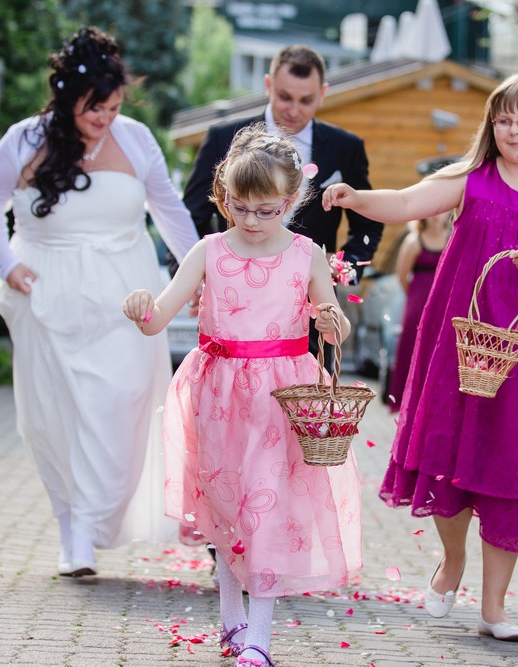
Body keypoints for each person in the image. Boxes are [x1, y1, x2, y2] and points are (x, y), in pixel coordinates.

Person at [322, 71, 518, 641]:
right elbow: (405, 202)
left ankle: (494, 609)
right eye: (504, 119)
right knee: (447, 453)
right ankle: (452, 559)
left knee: (509, 470)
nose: (514, 129)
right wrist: (356, 198)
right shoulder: (474, 179)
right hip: (458, 345)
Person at [123, 125, 362, 667]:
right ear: (223, 195)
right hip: (218, 395)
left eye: (266, 211)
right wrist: (140, 307)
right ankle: (231, 616)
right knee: (227, 508)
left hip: (281, 399)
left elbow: (335, 326)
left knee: (267, 513)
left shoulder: (306, 254)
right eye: (239, 207)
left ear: (292, 199)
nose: (251, 221)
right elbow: (157, 317)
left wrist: (332, 323)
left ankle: (259, 637)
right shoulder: (209, 251)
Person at [0, 27, 199, 577]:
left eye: (114, 107)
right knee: (57, 415)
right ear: (66, 95)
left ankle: (98, 516)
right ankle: (73, 533)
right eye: (94, 107)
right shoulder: (24, 140)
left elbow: (169, 211)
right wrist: (8, 264)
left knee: (121, 401)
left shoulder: (136, 139)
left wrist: (199, 275)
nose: (105, 118)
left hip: (126, 296)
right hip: (47, 294)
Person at [179, 44, 382, 354]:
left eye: (306, 100)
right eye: (285, 97)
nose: (294, 110)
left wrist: (344, 268)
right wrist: (194, 279)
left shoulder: (346, 147)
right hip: (235, 307)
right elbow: (190, 218)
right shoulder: (223, 138)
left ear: (322, 93)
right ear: (268, 85)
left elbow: (368, 223)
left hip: (310, 313)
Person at [387, 211, 452, 412]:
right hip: (418, 305)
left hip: (445, 305)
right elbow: (401, 275)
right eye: (432, 212)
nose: (436, 216)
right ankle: (408, 401)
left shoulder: (452, 238)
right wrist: (416, 297)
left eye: (440, 211)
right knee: (412, 348)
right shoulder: (413, 241)